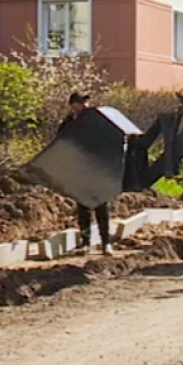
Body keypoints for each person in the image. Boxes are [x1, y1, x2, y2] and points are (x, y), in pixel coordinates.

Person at [59, 91, 112, 253]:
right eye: (81, 103)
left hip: (97, 168)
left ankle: (106, 242)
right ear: (73, 105)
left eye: (86, 102)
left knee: (101, 206)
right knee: (83, 208)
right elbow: (60, 144)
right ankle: (85, 242)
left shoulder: (97, 121)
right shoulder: (68, 123)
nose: (85, 106)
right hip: (79, 170)